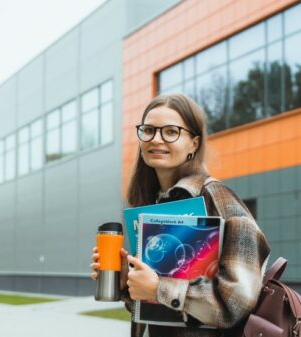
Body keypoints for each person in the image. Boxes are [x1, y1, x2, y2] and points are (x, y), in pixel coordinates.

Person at [90, 93, 270, 337]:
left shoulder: (217, 197)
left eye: (171, 131)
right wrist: (129, 283)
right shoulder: (152, 205)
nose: (157, 139)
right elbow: (165, 312)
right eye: (149, 130)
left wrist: (158, 288)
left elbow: (238, 301)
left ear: (193, 143)